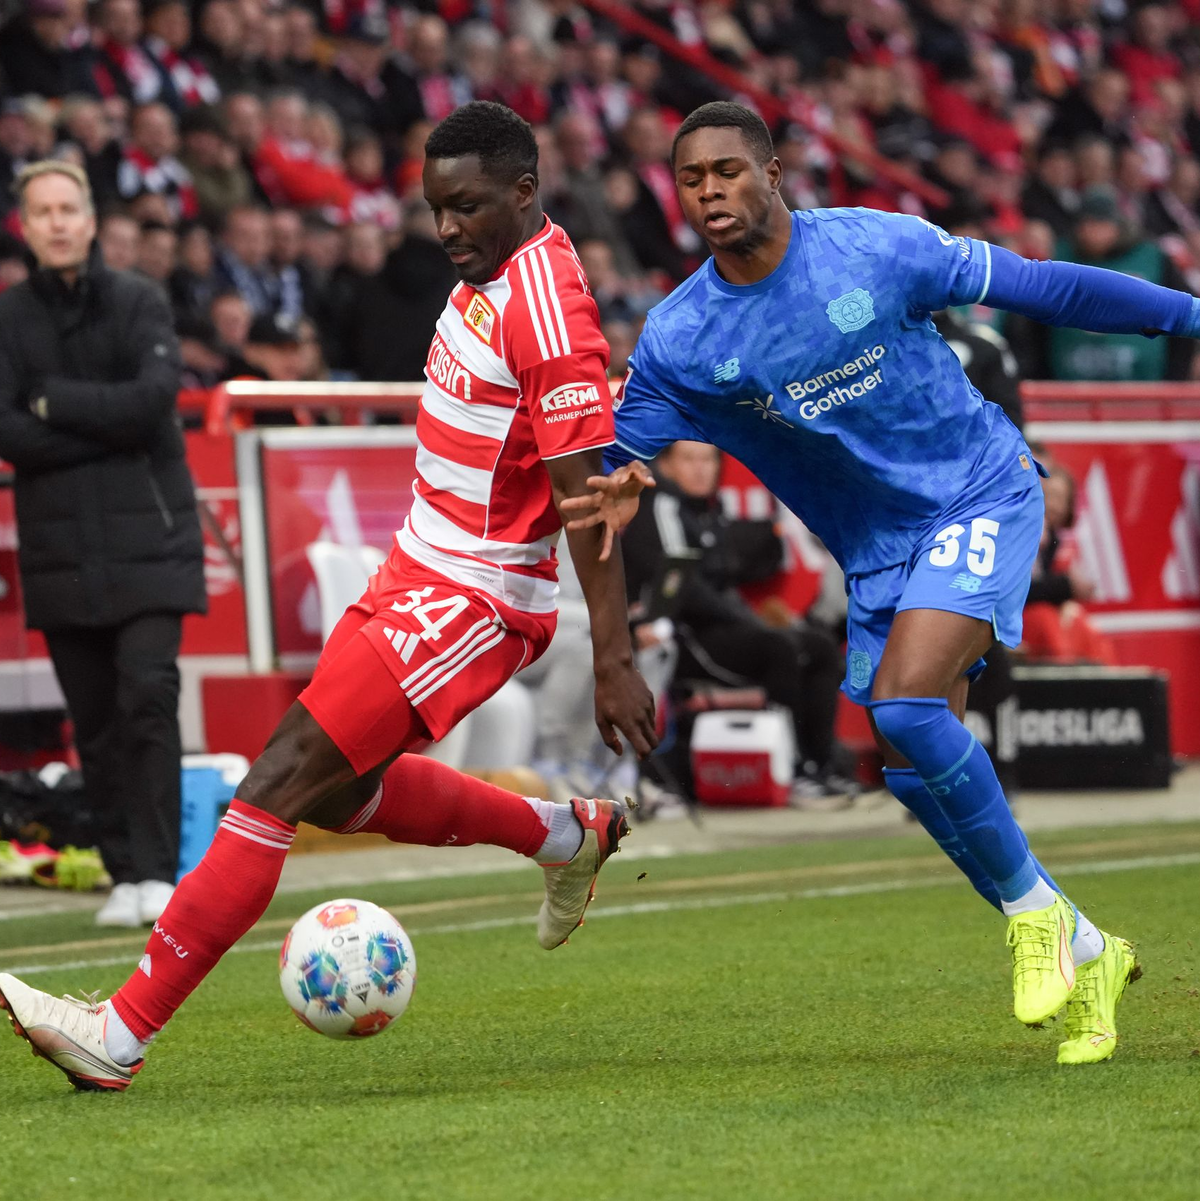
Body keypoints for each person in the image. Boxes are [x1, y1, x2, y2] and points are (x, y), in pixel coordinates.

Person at [0, 102, 656, 1092]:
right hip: (416, 566)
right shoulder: (492, 266)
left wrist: (613, 659)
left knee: (278, 779)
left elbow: (587, 503)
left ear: (526, 192)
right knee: (343, 789)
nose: (446, 230)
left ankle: (119, 1030)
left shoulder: (551, 313)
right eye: (435, 209)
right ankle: (568, 835)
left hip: (475, 596)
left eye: (467, 207)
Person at [565, 101, 1200, 1066]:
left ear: (773, 174)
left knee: (905, 708)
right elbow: (616, 449)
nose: (710, 193)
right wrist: (611, 475)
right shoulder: (682, 337)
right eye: (692, 180)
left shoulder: (879, 248)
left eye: (729, 171)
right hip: (878, 554)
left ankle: (1032, 920)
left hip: (981, 489)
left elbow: (1041, 287)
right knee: (911, 772)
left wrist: (1186, 314)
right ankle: (1085, 946)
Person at [0, 160, 206, 930]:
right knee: (94, 722)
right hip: (60, 551)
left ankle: (160, 871)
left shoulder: (138, 300)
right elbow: (5, 426)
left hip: (150, 542)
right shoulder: (10, 317)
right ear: (24, 224)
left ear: (89, 221)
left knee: (146, 697)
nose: (56, 221)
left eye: (68, 208)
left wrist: (52, 405)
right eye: (41, 210)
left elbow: (155, 401)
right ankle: (126, 872)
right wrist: (103, 427)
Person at [619, 439, 846, 799]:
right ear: (667, 466)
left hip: (724, 629)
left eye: (707, 459)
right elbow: (684, 587)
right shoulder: (662, 505)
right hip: (680, 636)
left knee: (819, 647)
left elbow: (724, 586)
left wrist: (754, 619)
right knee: (778, 648)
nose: (700, 468)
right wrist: (750, 623)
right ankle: (789, 768)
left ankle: (821, 766)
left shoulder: (711, 512)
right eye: (689, 459)